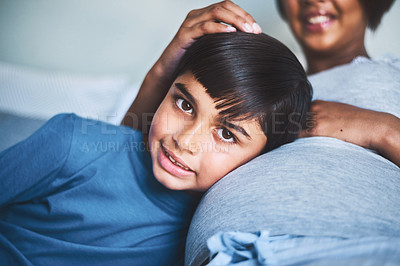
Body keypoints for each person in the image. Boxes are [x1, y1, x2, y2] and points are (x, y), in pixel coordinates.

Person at [0, 31, 312, 265]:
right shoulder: (71, 143)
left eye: (227, 134)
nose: (185, 141)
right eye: (185, 104)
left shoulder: (215, 233)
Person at [124, 0, 399, 167]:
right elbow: (124, 163)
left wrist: (384, 130)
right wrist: (166, 67)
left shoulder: (393, 71)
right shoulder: (256, 83)